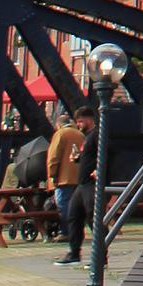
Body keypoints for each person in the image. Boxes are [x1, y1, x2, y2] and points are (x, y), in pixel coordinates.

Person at [48, 108, 85, 261]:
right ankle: (75, 232)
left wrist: (52, 175)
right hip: (78, 178)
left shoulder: (60, 134)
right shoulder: (80, 134)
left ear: (58, 125)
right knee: (76, 209)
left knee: (64, 207)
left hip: (63, 178)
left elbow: (54, 156)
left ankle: (66, 232)